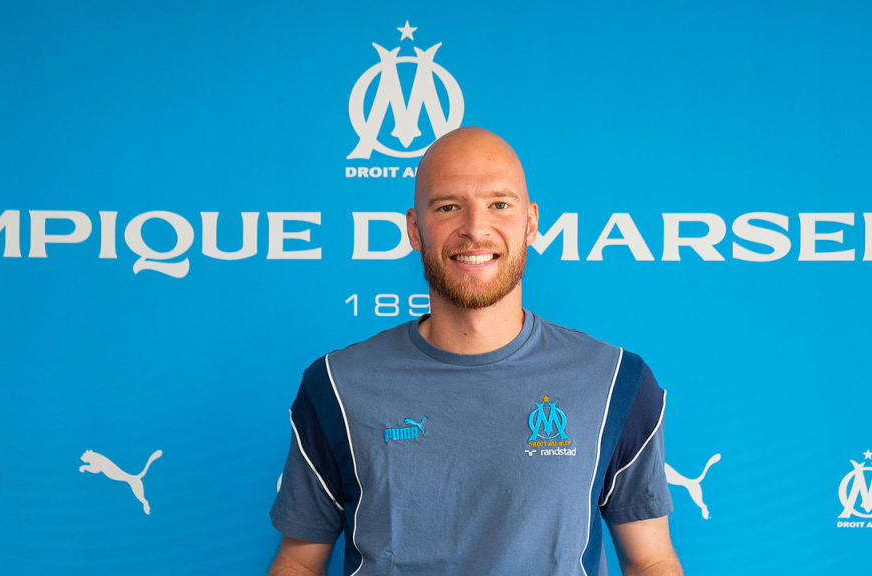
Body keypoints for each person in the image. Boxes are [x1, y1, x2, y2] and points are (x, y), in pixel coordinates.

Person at [269, 127, 682, 576]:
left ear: (530, 223)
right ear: (415, 229)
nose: (475, 229)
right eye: (448, 207)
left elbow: (650, 560)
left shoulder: (614, 381)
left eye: (499, 205)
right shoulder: (336, 385)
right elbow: (299, 563)